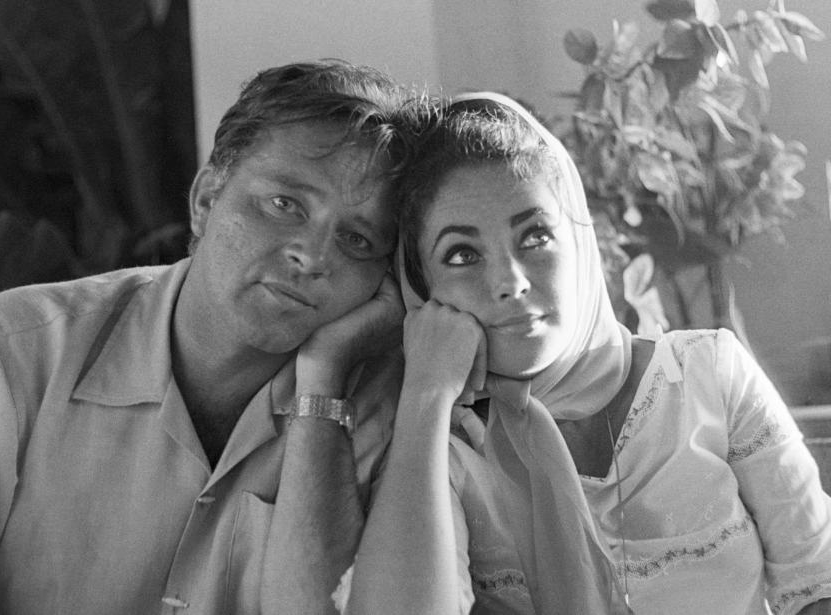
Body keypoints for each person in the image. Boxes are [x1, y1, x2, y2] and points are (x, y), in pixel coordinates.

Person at [0, 60, 417, 615]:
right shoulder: (13, 350)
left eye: (357, 240)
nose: (314, 256)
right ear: (206, 200)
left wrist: (323, 383)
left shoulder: (387, 410)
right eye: (285, 205)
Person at [346, 93, 831, 615]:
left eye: (535, 236)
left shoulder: (708, 375)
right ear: (423, 290)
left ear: (578, 242)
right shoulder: (446, 449)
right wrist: (425, 394)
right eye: (462, 254)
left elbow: (818, 582)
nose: (510, 281)